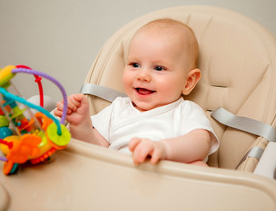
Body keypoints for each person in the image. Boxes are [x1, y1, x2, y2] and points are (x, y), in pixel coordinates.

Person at [54, 19, 219, 166]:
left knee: (198, 167)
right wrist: (80, 125)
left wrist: (164, 149)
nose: (142, 75)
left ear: (188, 81)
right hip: (118, 178)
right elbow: (95, 150)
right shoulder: (117, 109)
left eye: (159, 68)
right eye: (135, 64)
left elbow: (201, 144)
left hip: (169, 181)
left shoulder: (186, 111)